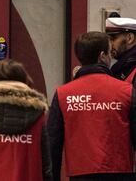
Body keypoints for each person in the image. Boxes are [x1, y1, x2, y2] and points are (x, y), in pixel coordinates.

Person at [48, 31, 136, 180]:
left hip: (80, 174)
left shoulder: (64, 94)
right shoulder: (126, 91)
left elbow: (52, 145)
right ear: (102, 56)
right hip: (120, 172)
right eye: (109, 52)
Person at [105, 17, 136, 83]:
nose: (110, 44)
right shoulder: (124, 64)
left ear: (130, 38)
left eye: (113, 39)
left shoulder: (129, 64)